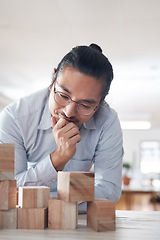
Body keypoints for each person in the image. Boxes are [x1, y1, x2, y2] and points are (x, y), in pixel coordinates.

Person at [0, 44, 124, 211]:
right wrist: (58, 157)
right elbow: (8, 191)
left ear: (100, 103)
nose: (68, 112)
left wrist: (43, 201)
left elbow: (109, 191)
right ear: (53, 79)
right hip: (28, 221)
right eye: (64, 95)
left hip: (76, 225)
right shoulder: (14, 118)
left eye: (86, 105)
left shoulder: (108, 122)